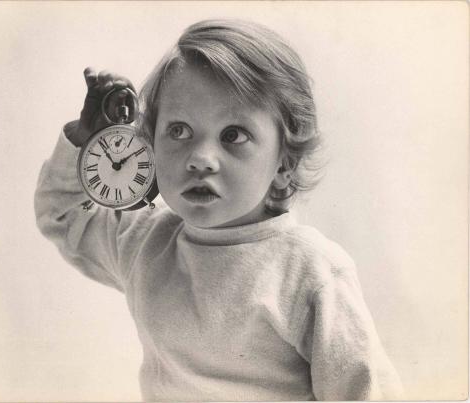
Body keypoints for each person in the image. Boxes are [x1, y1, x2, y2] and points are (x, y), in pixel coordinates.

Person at [35, 19, 404, 401]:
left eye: (233, 136)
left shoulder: (311, 273)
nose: (200, 159)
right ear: (149, 143)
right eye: (178, 131)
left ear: (284, 163)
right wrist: (86, 141)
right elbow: (62, 215)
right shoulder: (147, 243)